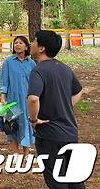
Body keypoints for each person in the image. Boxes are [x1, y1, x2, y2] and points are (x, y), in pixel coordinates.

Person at [28, 30, 84, 189]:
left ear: (41, 48)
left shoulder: (38, 70)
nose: (31, 43)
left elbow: (33, 98)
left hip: (49, 135)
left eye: (34, 41)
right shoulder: (65, 68)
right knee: (74, 178)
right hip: (70, 132)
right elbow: (79, 91)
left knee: (56, 179)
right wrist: (64, 105)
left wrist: (33, 119)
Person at [0, 36, 36, 155]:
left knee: (26, 124)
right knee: (12, 125)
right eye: (15, 43)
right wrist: (3, 97)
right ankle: (15, 153)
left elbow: (35, 83)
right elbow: (4, 82)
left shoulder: (31, 63)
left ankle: (26, 153)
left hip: (27, 100)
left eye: (20, 43)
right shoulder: (8, 62)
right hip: (12, 100)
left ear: (26, 46)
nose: (17, 45)